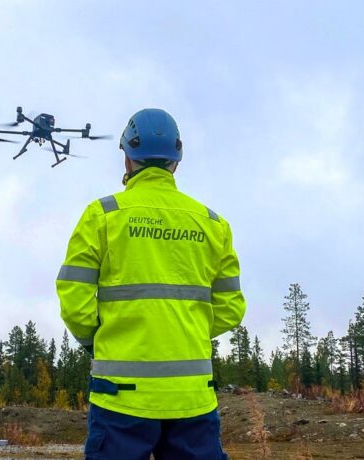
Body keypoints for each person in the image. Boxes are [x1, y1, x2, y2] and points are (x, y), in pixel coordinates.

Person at [56, 108, 246, 460]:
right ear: (176, 160)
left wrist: (102, 341)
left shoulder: (103, 215)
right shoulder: (213, 224)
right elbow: (231, 307)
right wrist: (183, 331)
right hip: (193, 399)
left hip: (119, 398)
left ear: (127, 156)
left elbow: (74, 298)